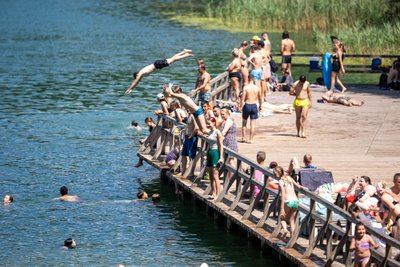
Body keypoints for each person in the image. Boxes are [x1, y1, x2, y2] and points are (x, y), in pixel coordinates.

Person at [124, 49, 193, 95]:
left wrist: (130, 89)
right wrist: (132, 88)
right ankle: (184, 51)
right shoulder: (141, 72)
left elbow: (136, 81)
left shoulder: (140, 74)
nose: (139, 79)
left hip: (157, 64)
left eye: (137, 78)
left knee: (172, 59)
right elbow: (137, 81)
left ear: (136, 75)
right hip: (157, 64)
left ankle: (185, 55)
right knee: (173, 59)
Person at [274, 166, 306, 239]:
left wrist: (282, 208)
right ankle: (292, 238)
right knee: (292, 220)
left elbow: (283, 195)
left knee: (282, 218)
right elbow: (298, 186)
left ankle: (285, 230)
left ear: (278, 174)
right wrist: (303, 188)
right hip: (295, 201)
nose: (274, 175)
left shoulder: (280, 182)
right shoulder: (289, 178)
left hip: (288, 201)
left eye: (275, 173)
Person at [240, 72, 262, 144]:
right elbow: (260, 98)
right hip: (254, 105)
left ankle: (243, 137)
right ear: (253, 79)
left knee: (244, 123)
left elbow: (243, 99)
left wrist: (241, 106)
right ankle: (251, 139)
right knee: (253, 124)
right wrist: (260, 106)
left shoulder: (246, 87)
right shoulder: (257, 88)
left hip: (247, 104)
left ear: (248, 78)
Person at [206, 117, 224, 200]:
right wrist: (206, 153)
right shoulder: (210, 132)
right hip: (209, 152)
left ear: (213, 123)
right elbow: (208, 144)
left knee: (215, 175)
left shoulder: (217, 132)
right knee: (210, 175)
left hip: (215, 152)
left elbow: (221, 146)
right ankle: (213, 192)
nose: (208, 125)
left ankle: (218, 193)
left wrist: (220, 157)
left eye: (209, 123)